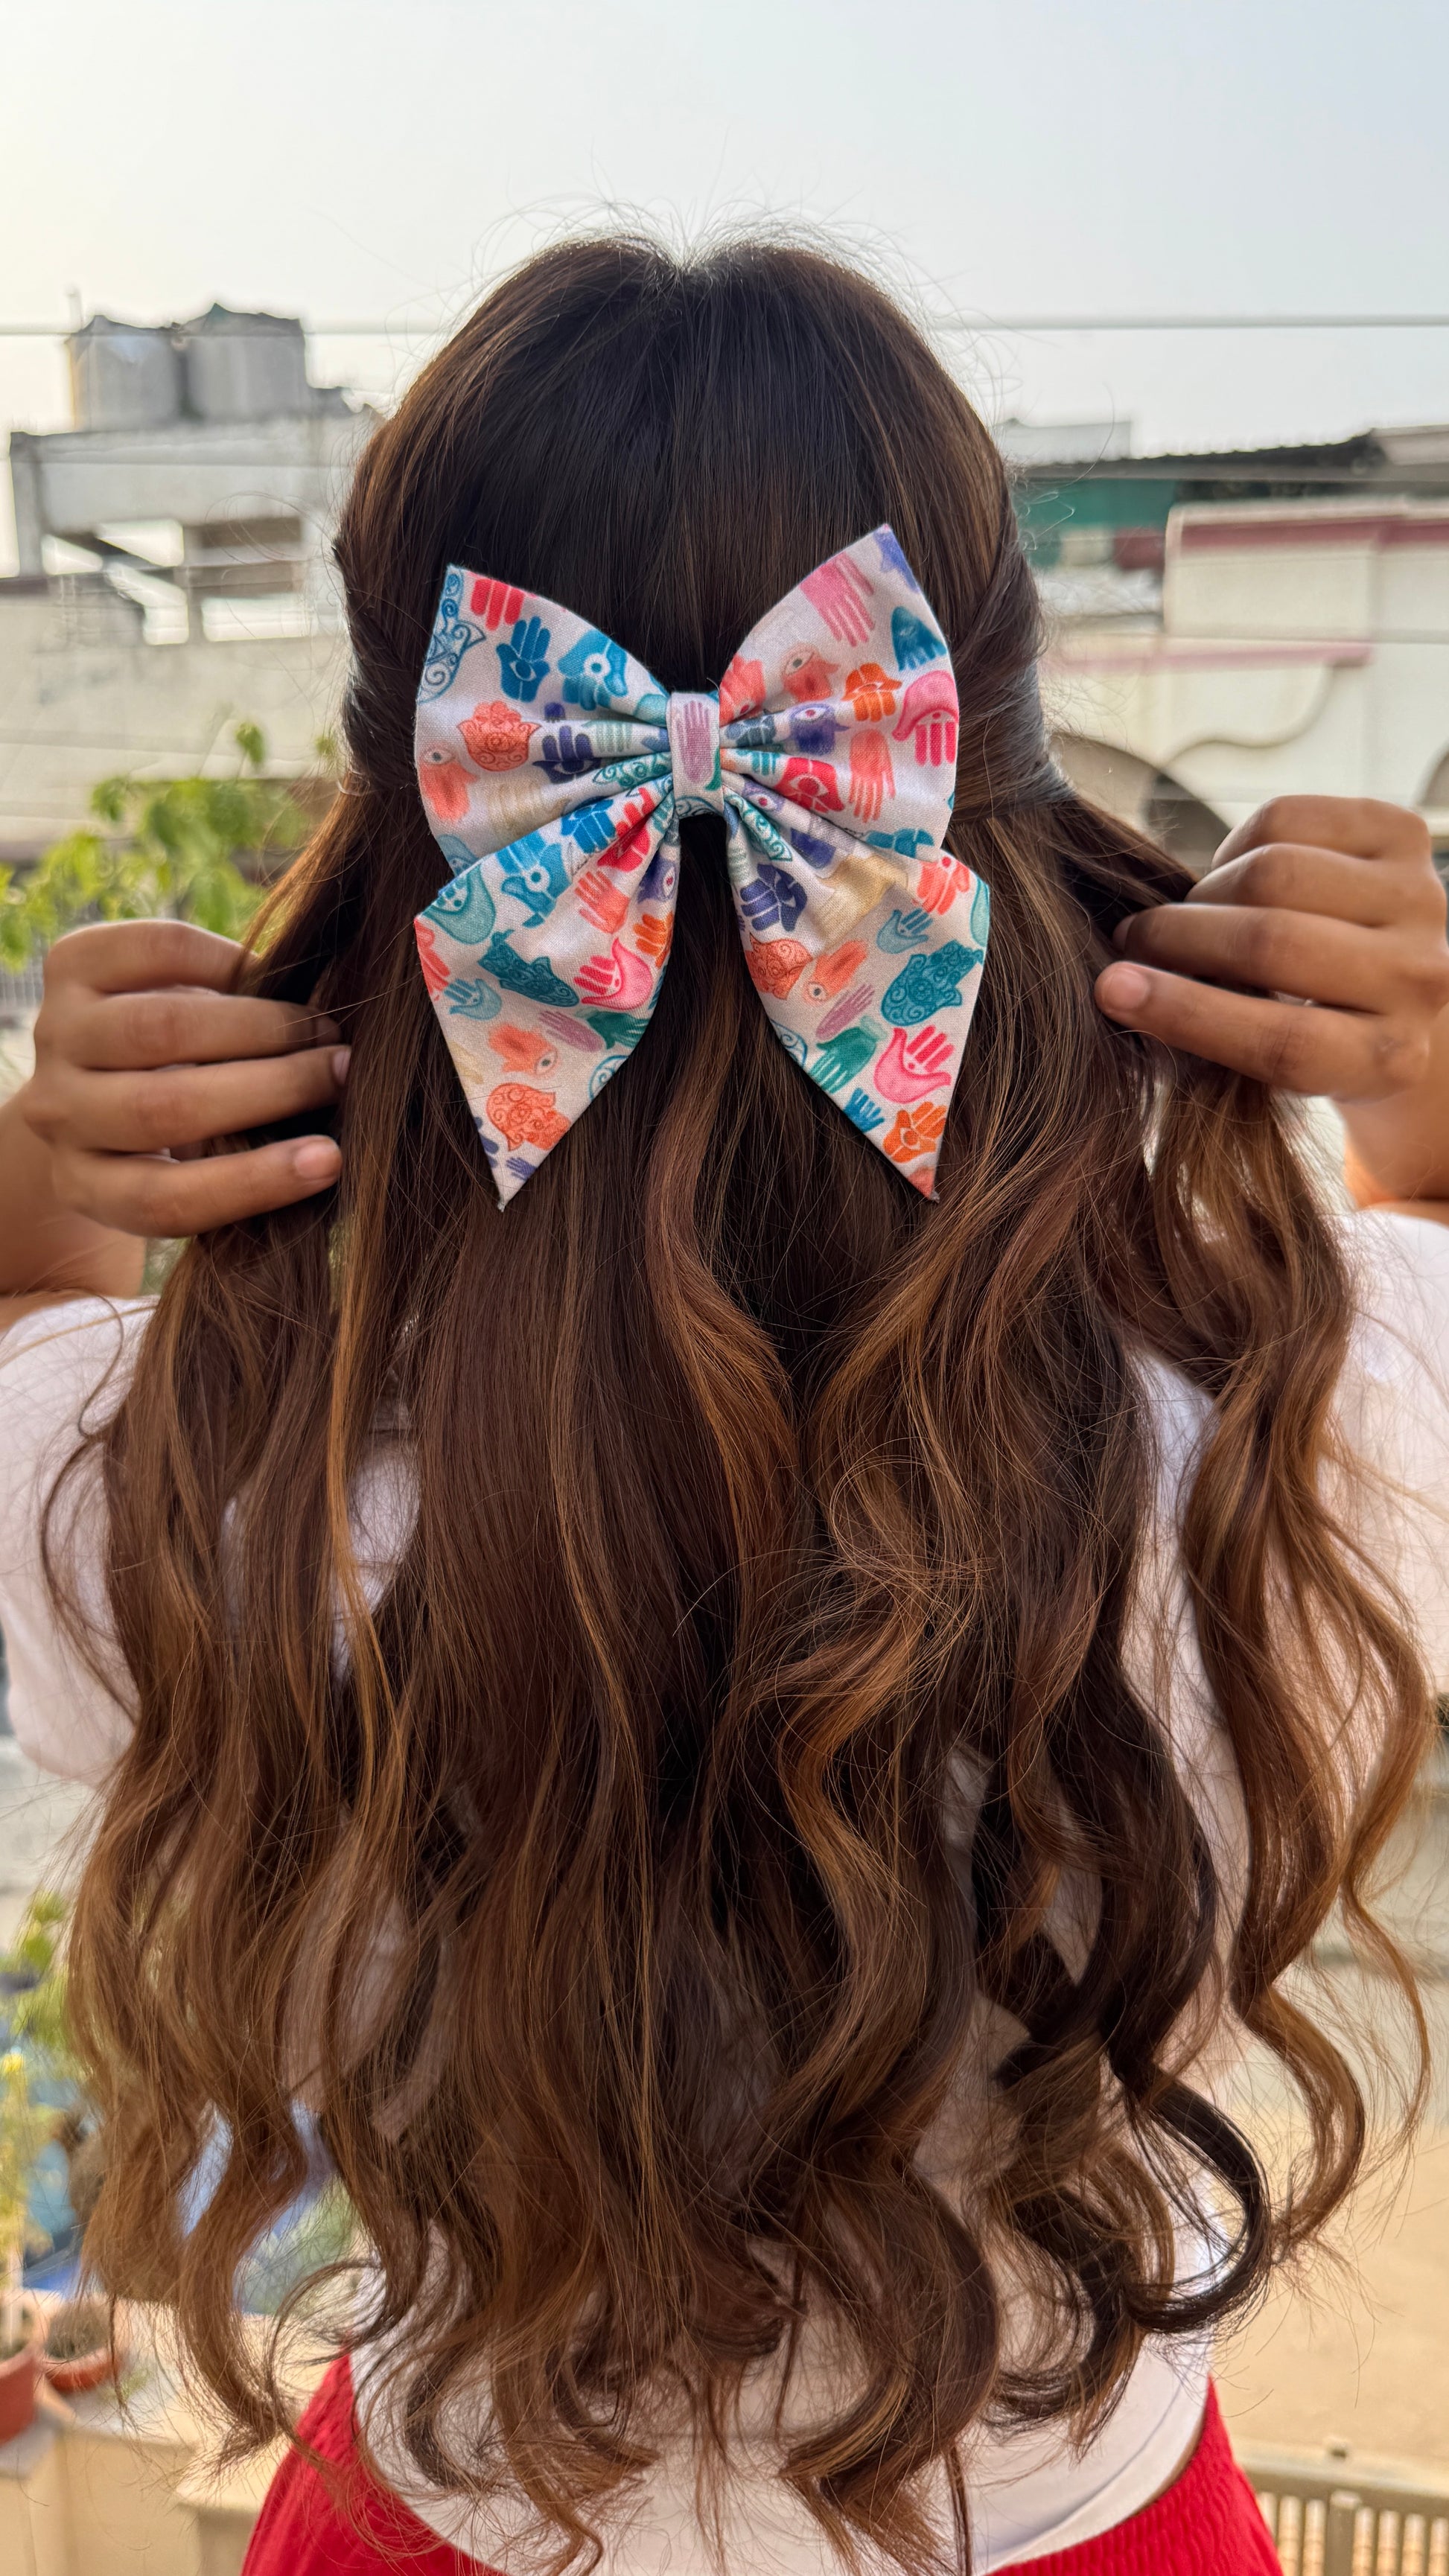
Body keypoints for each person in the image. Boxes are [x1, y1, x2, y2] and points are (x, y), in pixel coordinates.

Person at [2, 236, 1449, 2576]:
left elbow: (25, 1351)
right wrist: (1415, 1084)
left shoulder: (182, 1488)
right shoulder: (1294, 1424)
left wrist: (40, 1186)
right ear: (982, 774)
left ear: (401, 817)